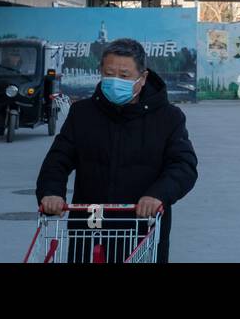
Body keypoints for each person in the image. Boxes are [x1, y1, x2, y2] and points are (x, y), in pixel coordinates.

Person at [36, 38, 197, 263]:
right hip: (89, 227)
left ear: (143, 78)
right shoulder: (82, 114)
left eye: (124, 75)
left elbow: (183, 165)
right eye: (109, 74)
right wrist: (51, 192)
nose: (115, 81)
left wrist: (158, 195)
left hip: (143, 227)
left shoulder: (169, 118)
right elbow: (58, 159)